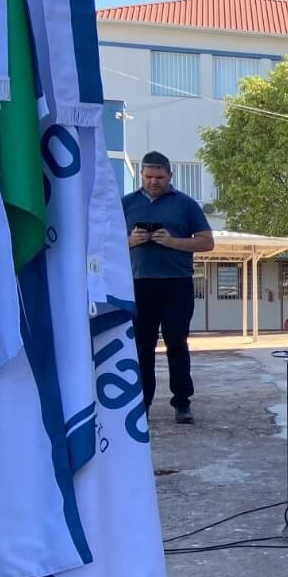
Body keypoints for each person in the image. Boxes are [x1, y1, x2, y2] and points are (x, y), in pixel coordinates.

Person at [122, 151, 214, 424]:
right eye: (148, 177)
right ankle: (142, 404)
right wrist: (130, 240)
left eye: (159, 177)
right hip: (139, 284)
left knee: (177, 344)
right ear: (141, 176)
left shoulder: (186, 205)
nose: (153, 182)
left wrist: (172, 242)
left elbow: (207, 242)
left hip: (177, 284)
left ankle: (182, 403)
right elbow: (105, 241)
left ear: (170, 176)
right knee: (141, 347)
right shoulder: (125, 204)